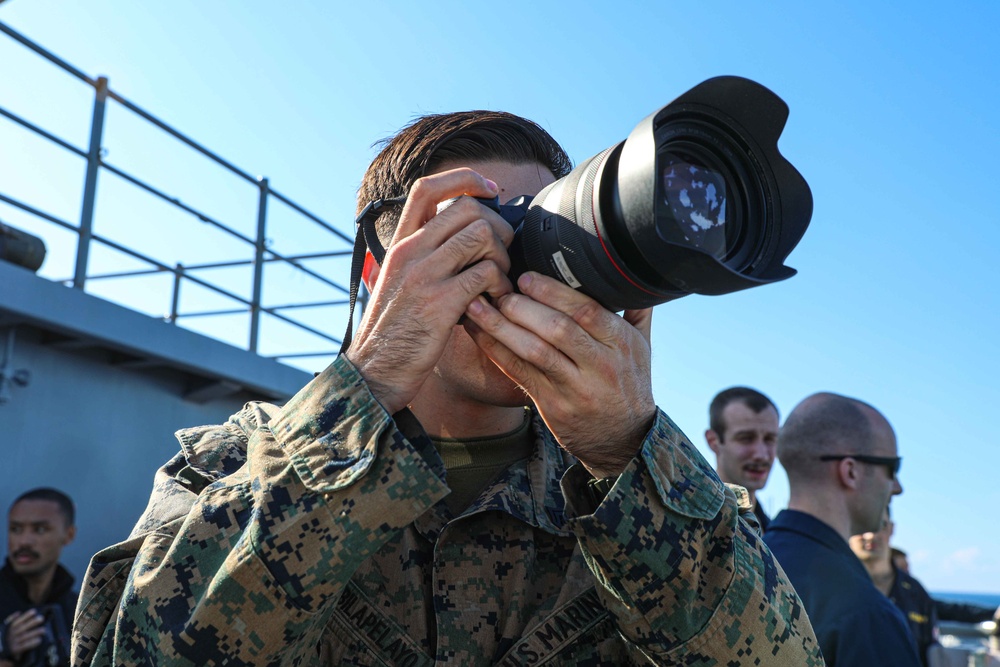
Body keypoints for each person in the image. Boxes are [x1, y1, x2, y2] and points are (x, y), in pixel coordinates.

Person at [71, 111, 823, 666]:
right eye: (476, 233)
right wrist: (359, 396)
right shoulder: (230, 465)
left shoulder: (633, 493)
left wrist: (628, 449)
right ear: (379, 272)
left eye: (545, 233)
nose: (525, 275)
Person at [764, 392, 920, 666]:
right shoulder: (866, 615)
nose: (897, 487)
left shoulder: (743, 560)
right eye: (892, 468)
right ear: (851, 472)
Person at [850, 508, 937, 666]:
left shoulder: (915, 592)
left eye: (880, 524)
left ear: (891, 529)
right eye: (863, 525)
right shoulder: (828, 587)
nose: (871, 535)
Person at [1, 488, 77, 667]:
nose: (24, 541)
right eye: (16, 529)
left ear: (69, 535)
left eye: (40, 529)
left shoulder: (79, 611)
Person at [704, 386, 780, 530]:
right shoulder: (694, 523)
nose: (761, 455)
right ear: (713, 441)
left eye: (770, 439)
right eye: (746, 438)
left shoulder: (771, 535)